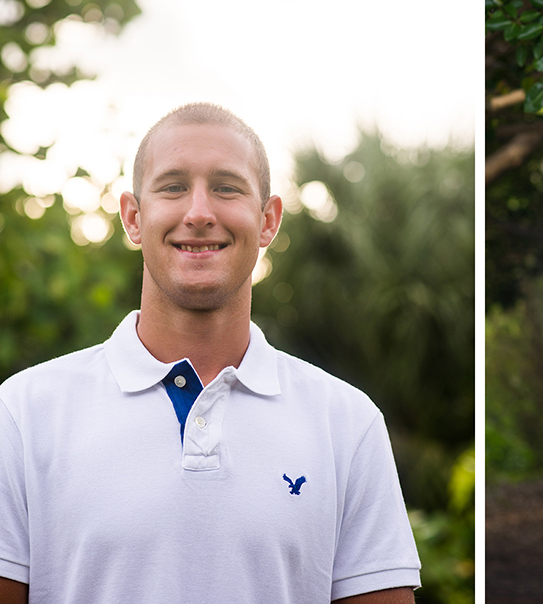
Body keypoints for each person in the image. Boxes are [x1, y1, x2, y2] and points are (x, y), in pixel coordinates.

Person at [0, 103, 420, 604]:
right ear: (134, 218)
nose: (199, 213)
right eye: (173, 186)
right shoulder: (22, 414)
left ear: (268, 220)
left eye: (226, 187)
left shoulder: (347, 423)